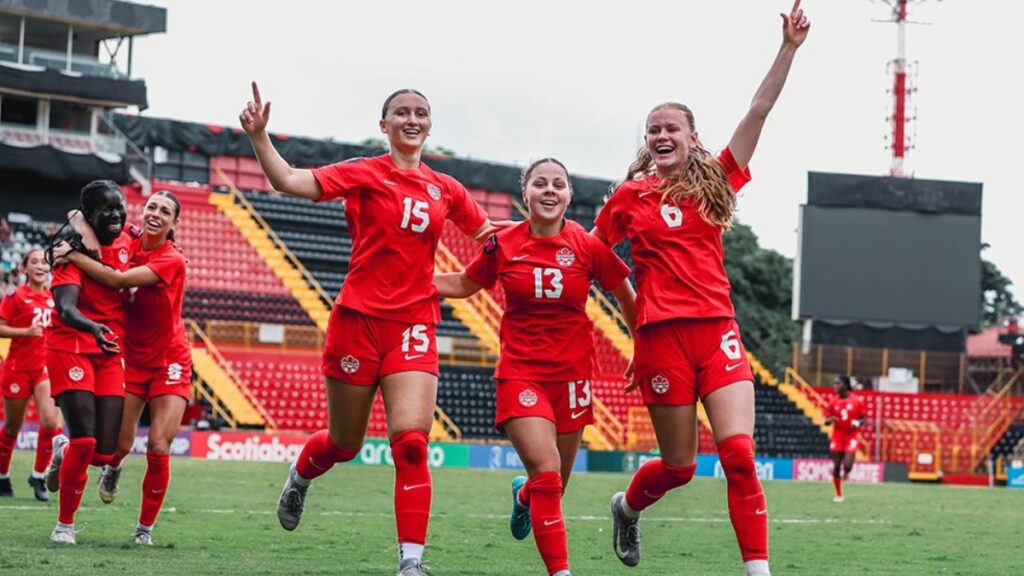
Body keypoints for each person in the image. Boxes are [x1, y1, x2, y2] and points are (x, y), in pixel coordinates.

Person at [239, 82, 506, 576]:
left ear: (429, 124)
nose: (412, 119)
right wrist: (260, 137)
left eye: (420, 112)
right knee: (344, 444)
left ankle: (411, 563)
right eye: (401, 112)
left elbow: (489, 241)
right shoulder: (363, 173)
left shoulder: (446, 188)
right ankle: (300, 477)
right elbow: (290, 182)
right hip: (357, 321)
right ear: (383, 126)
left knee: (410, 441)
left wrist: (498, 258)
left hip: (413, 324)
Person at [595, 3, 810, 575]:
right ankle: (627, 507)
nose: (663, 135)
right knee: (681, 467)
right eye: (655, 129)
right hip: (661, 340)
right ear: (648, 140)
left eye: (673, 128)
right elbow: (595, 256)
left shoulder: (716, 177)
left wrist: (787, 48)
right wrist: (634, 312)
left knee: (739, 455)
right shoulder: (628, 197)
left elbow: (758, 111)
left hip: (718, 333)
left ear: (693, 137)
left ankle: (758, 571)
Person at [434, 158, 636, 576]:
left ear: (568, 195)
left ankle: (523, 496)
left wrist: (644, 345)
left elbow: (624, 291)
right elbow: (465, 283)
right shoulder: (503, 242)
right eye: (540, 183)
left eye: (558, 184)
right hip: (521, 374)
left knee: (552, 487)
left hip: (574, 377)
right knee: (547, 475)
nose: (549, 190)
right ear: (524, 193)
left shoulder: (586, 245)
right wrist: (408, 278)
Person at [54, 190, 190, 544]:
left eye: (165, 211)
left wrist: (72, 255)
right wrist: (77, 226)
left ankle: (144, 530)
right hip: (128, 355)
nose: (156, 214)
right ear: (142, 212)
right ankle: (98, 462)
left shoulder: (171, 259)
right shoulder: (125, 236)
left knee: (159, 446)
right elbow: (75, 211)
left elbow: (116, 281)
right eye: (151, 207)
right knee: (112, 448)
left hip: (170, 359)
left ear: (175, 223)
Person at [44, 180, 135, 545]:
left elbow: (158, 237)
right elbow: (65, 309)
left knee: (105, 452)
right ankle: (64, 525)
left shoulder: (130, 237)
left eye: (120, 207)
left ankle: (61, 450)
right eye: (107, 210)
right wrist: (93, 326)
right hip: (72, 343)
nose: (115, 215)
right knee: (85, 441)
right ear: (90, 215)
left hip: (110, 350)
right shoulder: (69, 248)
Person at [0, 249, 62, 501]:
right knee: (13, 427)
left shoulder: (55, 298)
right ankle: (2, 476)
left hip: (44, 368)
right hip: (16, 368)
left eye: (44, 262)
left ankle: (38, 475)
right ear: (25, 268)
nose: (40, 266)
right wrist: (25, 331)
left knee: (50, 422)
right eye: (34, 262)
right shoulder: (16, 296)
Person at [824, 375, 865, 503]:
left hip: (851, 436)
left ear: (846, 385)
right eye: (834, 384)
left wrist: (857, 423)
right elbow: (826, 419)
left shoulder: (857, 401)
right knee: (836, 466)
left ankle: (847, 471)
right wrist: (829, 420)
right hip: (837, 436)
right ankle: (838, 494)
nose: (835, 386)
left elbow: (863, 418)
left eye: (838, 384)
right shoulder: (833, 401)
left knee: (847, 464)